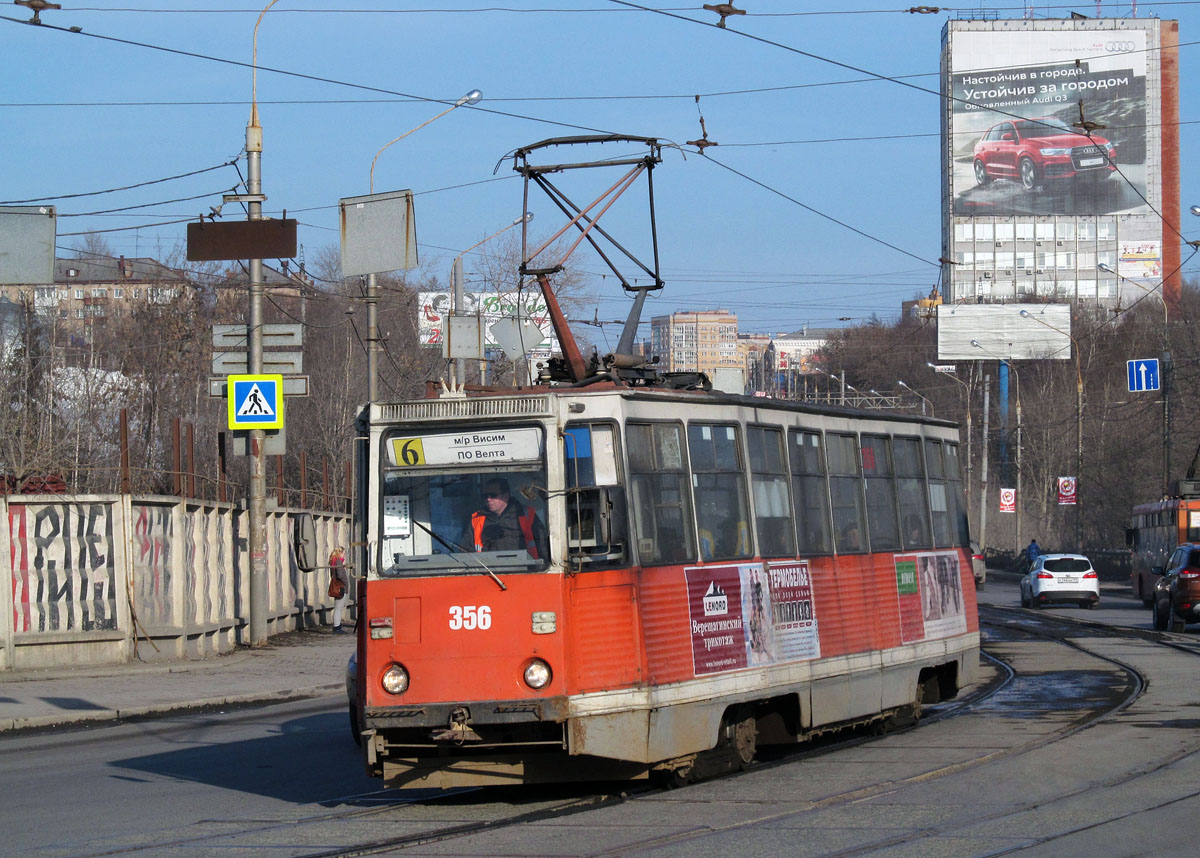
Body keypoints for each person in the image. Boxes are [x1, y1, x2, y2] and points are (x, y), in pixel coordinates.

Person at [471, 477, 548, 560]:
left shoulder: (527, 515)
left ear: (506, 496)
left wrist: (541, 565)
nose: (488, 499)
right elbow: (466, 551)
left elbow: (542, 547)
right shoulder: (477, 519)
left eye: (493, 495)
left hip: (524, 567)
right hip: (487, 567)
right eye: (485, 496)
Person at [329, 546, 350, 634]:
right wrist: (346, 583)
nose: (344, 555)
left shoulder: (333, 561)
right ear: (340, 553)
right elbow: (340, 575)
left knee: (338, 607)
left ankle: (337, 625)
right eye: (343, 553)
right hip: (340, 587)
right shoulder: (338, 562)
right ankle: (337, 627)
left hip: (337, 586)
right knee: (338, 608)